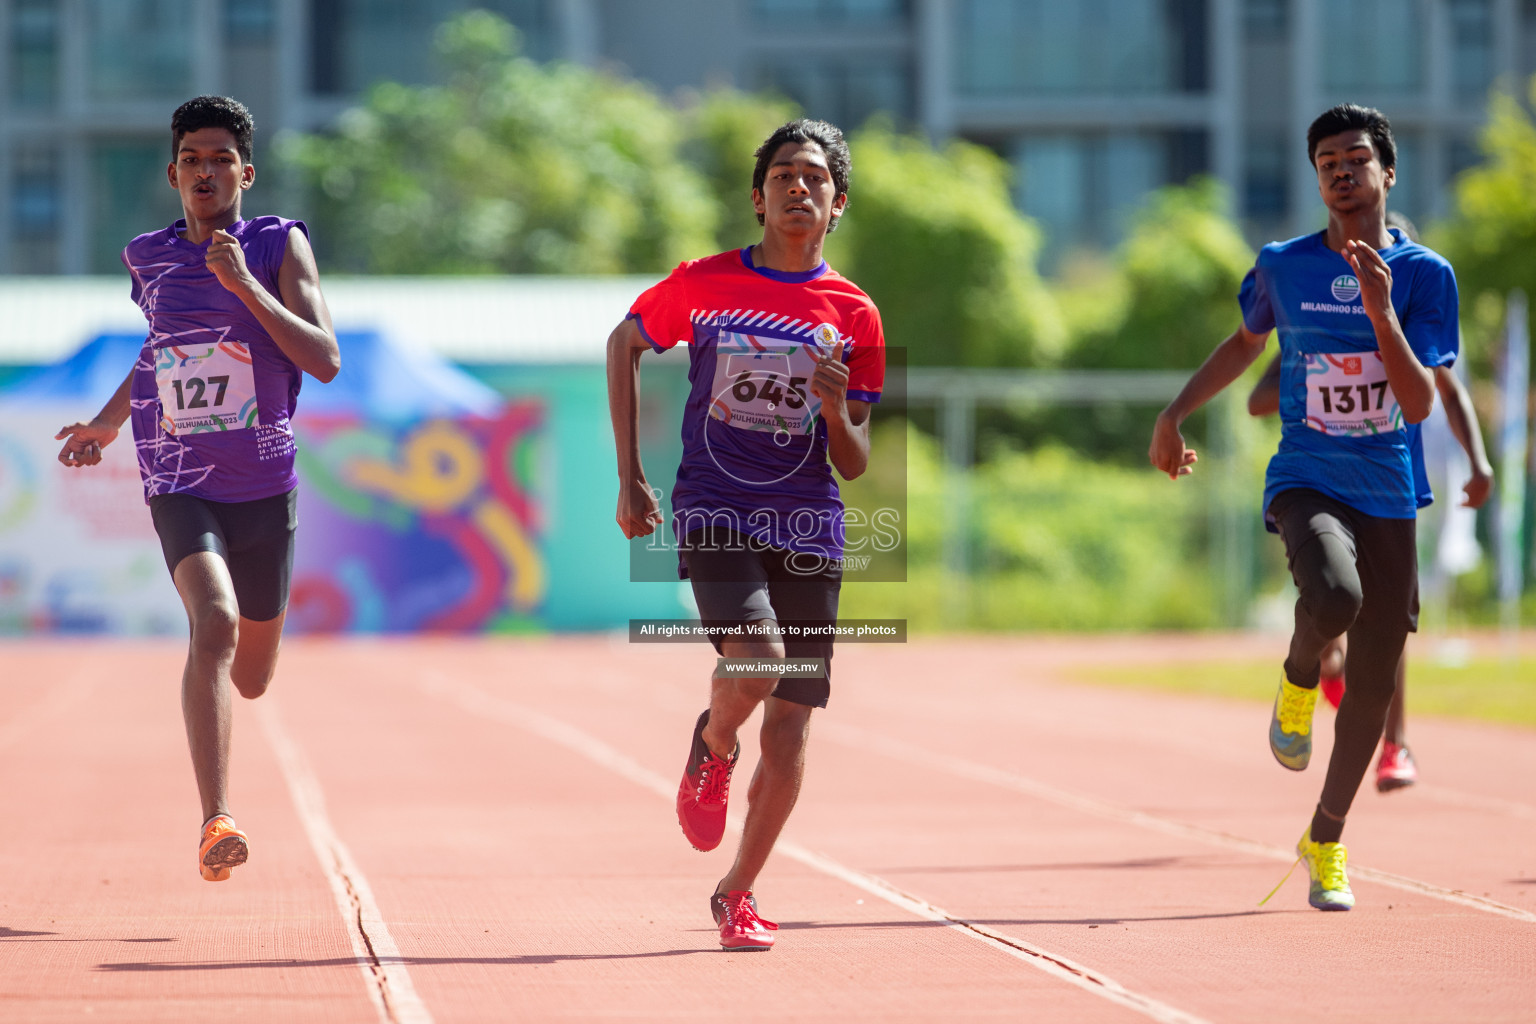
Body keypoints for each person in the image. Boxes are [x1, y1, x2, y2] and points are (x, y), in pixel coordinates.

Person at [1149, 104, 1459, 911]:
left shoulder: (1425, 276)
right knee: (1335, 598)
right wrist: (1172, 413)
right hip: (1307, 476)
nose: (1342, 172)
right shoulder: (1282, 265)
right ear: (1316, 179)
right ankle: (1295, 676)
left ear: (1387, 173)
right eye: (1327, 162)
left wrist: (1381, 309)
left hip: (1390, 489)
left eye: (1357, 159)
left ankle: (1325, 838)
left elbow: (1420, 403)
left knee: (1372, 675)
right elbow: (1245, 344)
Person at [607, 119, 885, 950]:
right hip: (717, 505)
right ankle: (714, 737)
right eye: (783, 175)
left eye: (815, 179)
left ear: (837, 204)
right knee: (758, 661)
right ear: (757, 195)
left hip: (809, 518)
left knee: (795, 721)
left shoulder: (855, 313)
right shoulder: (703, 283)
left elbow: (858, 460)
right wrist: (631, 474)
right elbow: (624, 342)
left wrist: (836, 407)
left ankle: (738, 892)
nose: (799, 188)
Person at [55, 96, 340, 881]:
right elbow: (163, 349)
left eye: (220, 159)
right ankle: (216, 820)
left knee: (251, 674)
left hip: (264, 484)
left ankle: (251, 658)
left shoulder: (279, 246)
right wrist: (109, 424)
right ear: (173, 173)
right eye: (191, 160)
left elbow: (324, 359)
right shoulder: (147, 257)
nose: (204, 171)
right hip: (178, 473)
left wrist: (248, 286)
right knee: (210, 622)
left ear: (245, 172)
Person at [1246, 211, 1494, 794]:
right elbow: (1257, 400)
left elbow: (1445, 393)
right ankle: (1321, 678)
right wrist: (1308, 353)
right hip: (1323, 478)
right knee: (1335, 602)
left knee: (1383, 626)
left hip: (1389, 479)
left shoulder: (1410, 306)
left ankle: (1396, 741)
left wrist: (1479, 462)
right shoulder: (1312, 309)